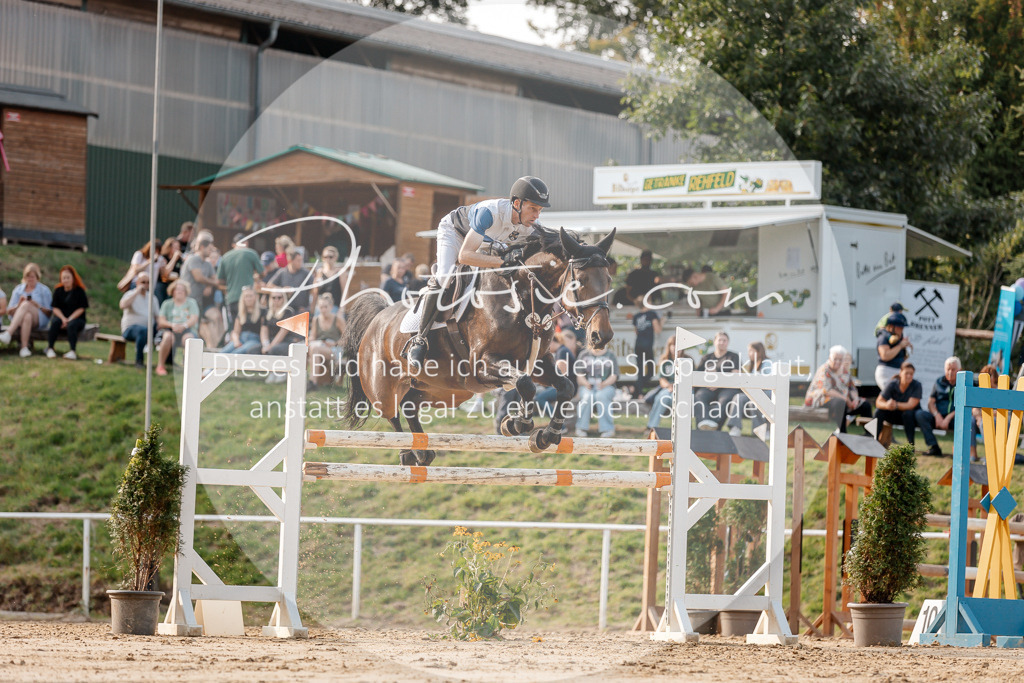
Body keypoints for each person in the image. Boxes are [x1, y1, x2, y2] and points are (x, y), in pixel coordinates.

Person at [406, 176, 550, 370]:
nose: (536, 215)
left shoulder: (529, 226)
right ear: (517, 203)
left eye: (539, 210)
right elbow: (465, 256)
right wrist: (502, 262)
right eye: (533, 208)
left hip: (487, 242)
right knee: (445, 277)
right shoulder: (490, 213)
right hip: (456, 233)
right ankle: (420, 340)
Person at [804, 345, 872, 433]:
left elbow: (852, 387)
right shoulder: (824, 369)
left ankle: (869, 434)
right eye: (835, 359)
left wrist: (855, 399)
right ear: (830, 358)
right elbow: (827, 391)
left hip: (844, 401)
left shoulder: (844, 371)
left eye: (840, 359)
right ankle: (843, 433)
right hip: (822, 400)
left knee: (865, 405)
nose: (837, 362)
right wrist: (846, 399)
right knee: (841, 402)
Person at [179, 235, 224, 348]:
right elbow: (198, 277)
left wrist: (209, 284)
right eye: (209, 248)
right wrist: (210, 283)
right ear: (202, 247)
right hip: (187, 301)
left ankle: (213, 348)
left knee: (198, 328)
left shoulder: (208, 264)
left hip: (199, 302)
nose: (211, 251)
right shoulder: (193, 259)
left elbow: (215, 279)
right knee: (190, 330)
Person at [914, 356, 964, 457]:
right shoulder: (939, 382)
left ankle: (959, 452)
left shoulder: (964, 383)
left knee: (964, 421)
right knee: (920, 414)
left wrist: (948, 418)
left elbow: (965, 404)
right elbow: (931, 403)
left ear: (959, 370)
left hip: (955, 418)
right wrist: (937, 415)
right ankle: (934, 447)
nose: (950, 372)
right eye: (948, 369)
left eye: (953, 369)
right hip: (939, 417)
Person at [0, 263, 52, 357]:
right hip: (19, 319)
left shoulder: (44, 290)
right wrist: (18, 305)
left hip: (39, 319)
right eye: (28, 277)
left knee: (26, 304)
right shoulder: (18, 290)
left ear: (37, 277)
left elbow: (49, 312)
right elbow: (9, 311)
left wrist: (38, 306)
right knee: (27, 316)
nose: (30, 279)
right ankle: (24, 348)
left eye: (32, 277)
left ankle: (9, 333)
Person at [694, 331, 741, 430]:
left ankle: (715, 426)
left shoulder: (733, 356)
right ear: (715, 341)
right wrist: (707, 381)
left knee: (726, 399)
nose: (722, 342)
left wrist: (719, 382)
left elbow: (735, 375)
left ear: (728, 342)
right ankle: (703, 424)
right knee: (699, 396)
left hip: (726, 388)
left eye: (724, 340)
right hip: (708, 387)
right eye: (720, 340)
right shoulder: (706, 358)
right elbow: (698, 375)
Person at [645, 334, 692, 433]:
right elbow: (662, 379)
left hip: (684, 387)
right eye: (673, 345)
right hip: (668, 388)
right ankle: (651, 427)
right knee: (662, 398)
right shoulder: (665, 361)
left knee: (682, 400)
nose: (676, 348)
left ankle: (683, 430)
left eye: (678, 346)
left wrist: (678, 387)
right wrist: (669, 386)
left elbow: (691, 378)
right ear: (669, 346)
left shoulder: (688, 360)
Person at [217, 233, 265, 330]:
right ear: (246, 243)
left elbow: (219, 280)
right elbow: (262, 272)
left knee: (234, 328)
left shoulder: (225, 256)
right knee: (247, 328)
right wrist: (255, 277)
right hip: (248, 298)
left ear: (233, 244)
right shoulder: (251, 253)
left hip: (231, 297)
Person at [727, 341, 773, 437]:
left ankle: (760, 430)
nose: (749, 354)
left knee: (754, 401)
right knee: (738, 397)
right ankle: (735, 427)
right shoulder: (754, 365)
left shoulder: (767, 363)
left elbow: (766, 382)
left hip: (766, 394)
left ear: (758, 351)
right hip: (754, 392)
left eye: (751, 351)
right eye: (749, 351)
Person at [155, 280, 199, 376]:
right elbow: (161, 321)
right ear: (172, 291)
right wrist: (172, 325)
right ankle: (161, 365)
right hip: (170, 329)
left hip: (187, 329)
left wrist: (184, 326)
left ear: (186, 292)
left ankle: (189, 367)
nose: (180, 291)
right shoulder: (167, 304)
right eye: (177, 289)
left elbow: (194, 318)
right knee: (167, 337)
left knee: (188, 339)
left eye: (182, 290)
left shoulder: (191, 303)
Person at [45, 265, 89, 360]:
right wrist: (63, 319)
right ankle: (50, 348)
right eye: (64, 278)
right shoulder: (58, 291)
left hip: (77, 319)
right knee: (55, 322)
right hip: (62, 318)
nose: (66, 280)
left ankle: (72, 351)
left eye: (68, 277)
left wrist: (69, 319)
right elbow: (55, 308)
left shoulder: (80, 291)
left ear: (73, 278)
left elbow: (81, 308)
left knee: (72, 325)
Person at [575, 344, 619, 437]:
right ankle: (581, 427)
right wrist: (586, 383)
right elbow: (579, 376)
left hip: (606, 386)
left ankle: (607, 429)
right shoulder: (584, 354)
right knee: (587, 397)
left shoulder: (610, 355)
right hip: (587, 386)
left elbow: (614, 375)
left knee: (601, 396)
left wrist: (604, 384)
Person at [875, 361, 923, 446]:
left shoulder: (917, 385)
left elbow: (911, 405)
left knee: (908, 414)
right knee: (879, 411)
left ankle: (910, 446)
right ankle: (874, 440)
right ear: (900, 373)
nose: (909, 376)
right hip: (894, 415)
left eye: (911, 374)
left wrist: (895, 405)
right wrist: (887, 405)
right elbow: (878, 402)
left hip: (910, 418)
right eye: (906, 373)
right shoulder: (892, 384)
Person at [119, 271, 157, 368]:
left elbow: (158, 317)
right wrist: (136, 292)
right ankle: (139, 361)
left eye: (148, 282)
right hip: (130, 329)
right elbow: (123, 305)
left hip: (149, 330)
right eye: (143, 282)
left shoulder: (153, 298)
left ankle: (167, 362)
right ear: (137, 283)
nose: (145, 285)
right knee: (142, 331)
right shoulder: (130, 294)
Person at [535, 329, 578, 410]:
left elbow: (560, 373)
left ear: (551, 342)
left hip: (566, 387)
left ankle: (556, 421)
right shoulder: (561, 351)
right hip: (565, 385)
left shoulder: (562, 351)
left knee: (540, 398)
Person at [309, 293, 346, 387]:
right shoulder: (316, 319)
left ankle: (312, 382)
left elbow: (347, 339)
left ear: (331, 307)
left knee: (315, 350)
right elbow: (313, 336)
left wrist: (335, 343)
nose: (323, 310)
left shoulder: (338, 319)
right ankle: (304, 381)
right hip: (321, 346)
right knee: (308, 348)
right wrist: (308, 339)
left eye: (325, 307)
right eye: (321, 307)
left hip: (336, 349)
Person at [219, 286, 265, 355]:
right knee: (223, 352)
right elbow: (235, 332)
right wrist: (236, 341)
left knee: (237, 353)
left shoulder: (262, 312)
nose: (248, 299)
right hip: (241, 338)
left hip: (254, 340)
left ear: (256, 297)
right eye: (246, 296)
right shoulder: (241, 313)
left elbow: (264, 331)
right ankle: (211, 366)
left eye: (250, 296)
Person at [632, 295, 662, 397]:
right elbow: (658, 330)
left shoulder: (636, 316)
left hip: (638, 345)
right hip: (647, 345)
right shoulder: (652, 314)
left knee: (640, 371)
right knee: (651, 371)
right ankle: (636, 389)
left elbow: (636, 331)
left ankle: (638, 392)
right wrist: (662, 321)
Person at [267, 246, 312, 313]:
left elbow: (314, 289)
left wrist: (309, 308)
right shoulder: (282, 272)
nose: (301, 263)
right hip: (285, 310)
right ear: (291, 261)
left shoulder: (306, 273)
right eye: (298, 261)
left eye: (301, 260)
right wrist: (282, 289)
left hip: (301, 310)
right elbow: (269, 285)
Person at [875, 312, 912, 388]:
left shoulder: (899, 338)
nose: (901, 330)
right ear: (891, 326)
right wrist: (900, 346)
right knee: (890, 395)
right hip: (886, 370)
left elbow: (902, 358)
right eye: (899, 327)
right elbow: (885, 356)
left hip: (897, 370)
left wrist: (907, 350)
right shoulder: (883, 338)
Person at [312, 246, 343, 310]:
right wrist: (313, 307)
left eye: (330, 257)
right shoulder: (319, 272)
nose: (328, 259)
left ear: (335, 258)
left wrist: (342, 308)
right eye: (325, 257)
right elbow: (315, 292)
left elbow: (344, 292)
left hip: (334, 307)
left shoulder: (340, 272)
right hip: (320, 307)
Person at [155, 238, 182, 304]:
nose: (177, 249)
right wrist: (174, 258)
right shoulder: (163, 258)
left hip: (173, 283)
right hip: (162, 283)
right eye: (175, 247)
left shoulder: (180, 260)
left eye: (178, 247)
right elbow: (165, 273)